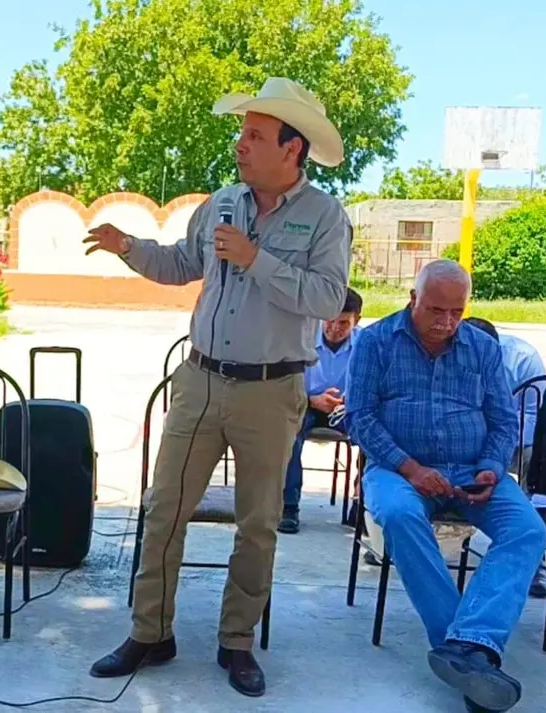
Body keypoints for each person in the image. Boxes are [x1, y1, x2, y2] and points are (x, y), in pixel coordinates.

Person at [83, 77, 352, 698]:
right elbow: (182, 264)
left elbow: (326, 297)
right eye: (242, 132)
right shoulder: (222, 202)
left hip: (272, 389)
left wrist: (258, 258)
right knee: (163, 511)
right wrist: (129, 247)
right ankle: (151, 632)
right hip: (201, 379)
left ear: (293, 149)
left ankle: (237, 643)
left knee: (257, 524)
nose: (240, 144)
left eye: (255, 135)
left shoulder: (324, 217)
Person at [345, 260, 546, 713]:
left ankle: (467, 649)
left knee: (529, 531)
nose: (447, 322)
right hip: (397, 469)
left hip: (472, 469)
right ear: (412, 299)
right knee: (398, 516)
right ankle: (469, 653)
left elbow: (502, 419)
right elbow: (360, 417)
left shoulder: (481, 347)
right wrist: (411, 468)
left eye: (457, 311)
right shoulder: (376, 341)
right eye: (437, 310)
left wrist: (492, 467)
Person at [464, 317, 546, 598]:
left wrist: (496, 444)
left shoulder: (523, 358)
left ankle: (533, 561)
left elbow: (535, 415)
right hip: (463, 439)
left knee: (538, 463)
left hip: (514, 441)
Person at [279, 287, 362, 534]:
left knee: (373, 433)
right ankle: (288, 507)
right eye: (330, 320)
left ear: (356, 321)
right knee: (288, 431)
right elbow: (283, 384)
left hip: (346, 407)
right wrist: (312, 400)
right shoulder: (300, 338)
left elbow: (376, 384)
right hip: (305, 403)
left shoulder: (366, 344)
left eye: (344, 323)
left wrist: (351, 400)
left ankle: (361, 508)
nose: (335, 328)